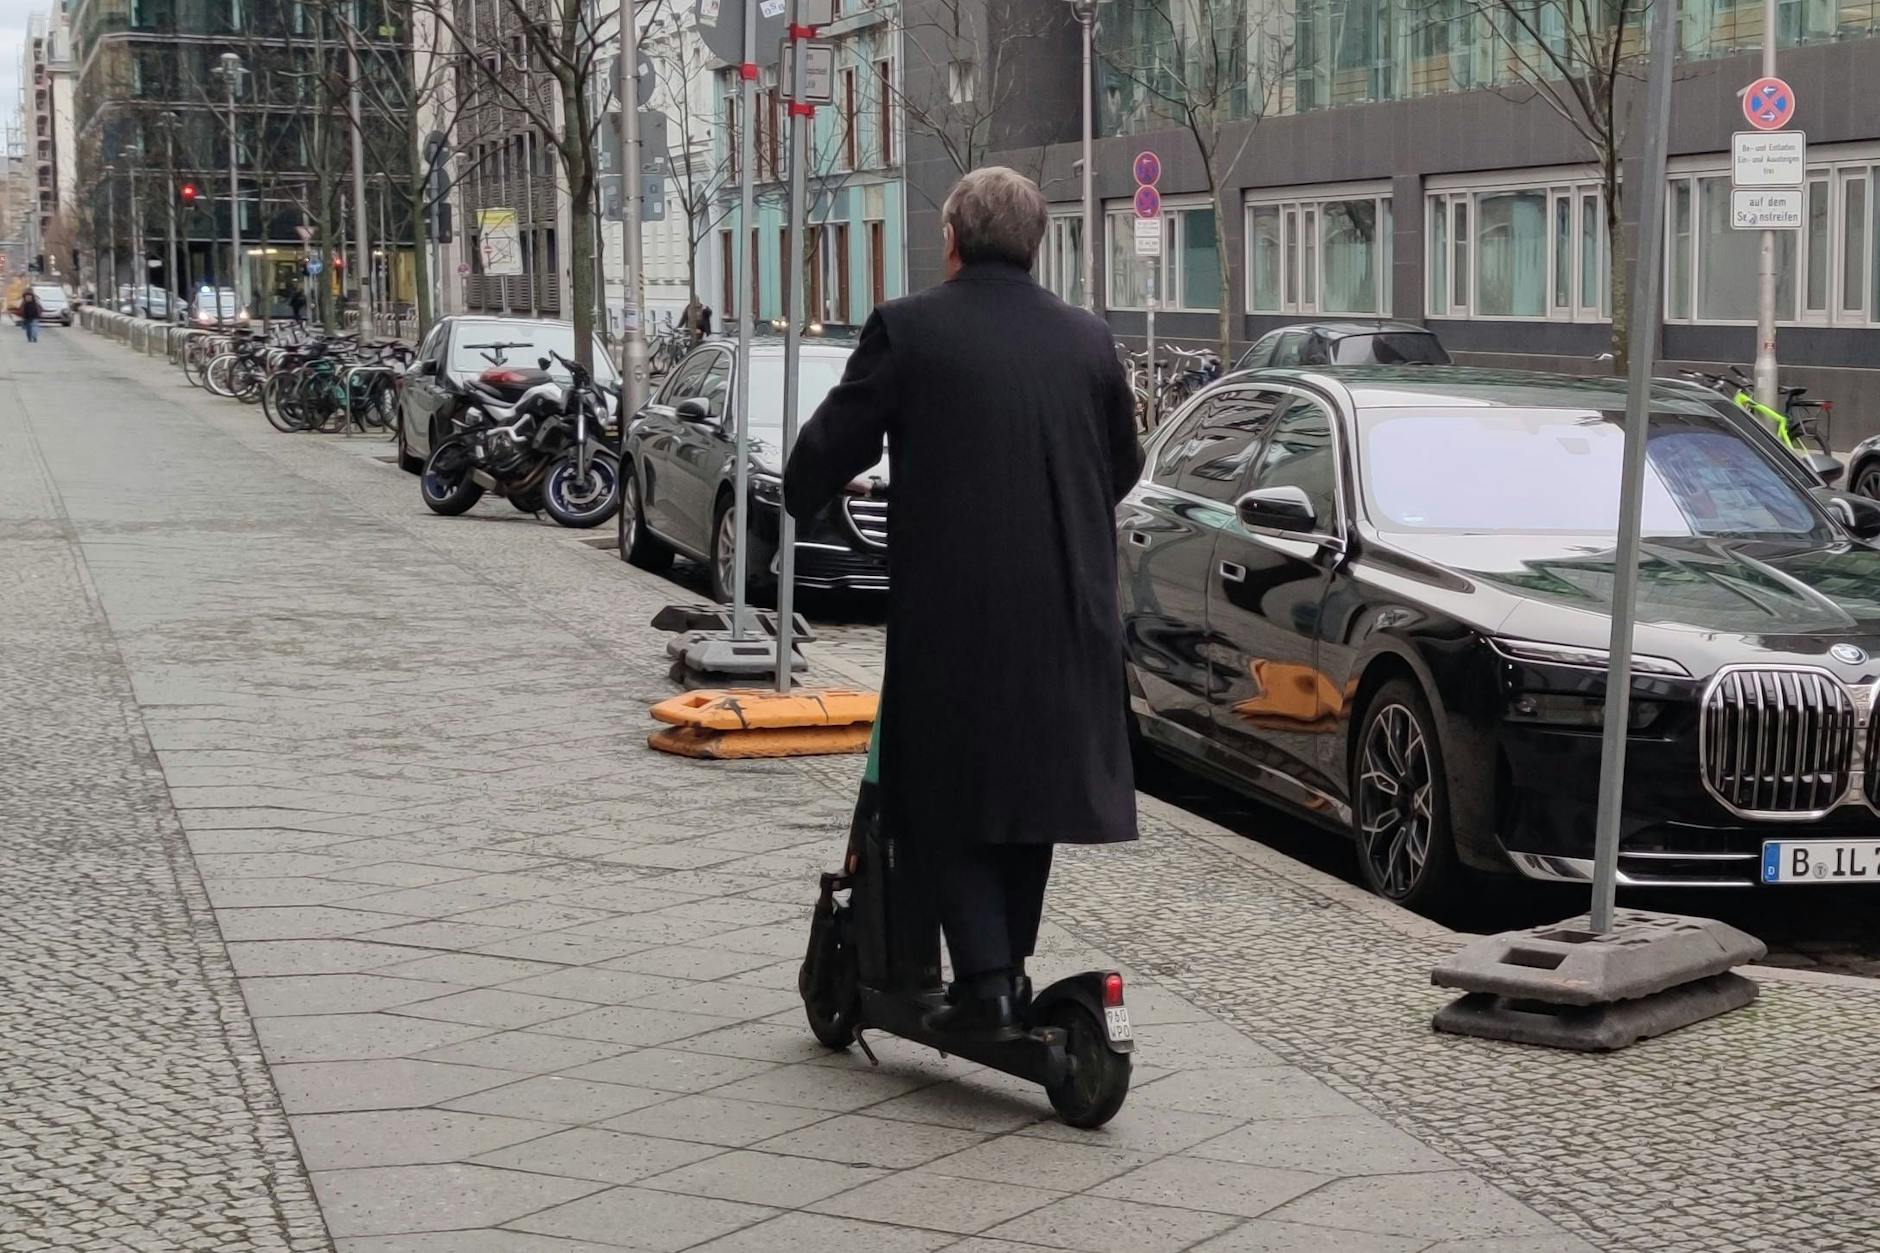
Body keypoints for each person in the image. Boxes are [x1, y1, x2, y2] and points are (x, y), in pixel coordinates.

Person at [784, 167, 1144, 1036]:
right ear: (1035, 243)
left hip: (956, 619)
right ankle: (1002, 965)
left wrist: (817, 491)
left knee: (937, 791)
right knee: (1031, 793)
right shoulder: (1088, 341)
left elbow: (820, 459)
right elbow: (1122, 466)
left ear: (951, 240)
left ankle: (987, 982)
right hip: (1071, 611)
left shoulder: (910, 329)